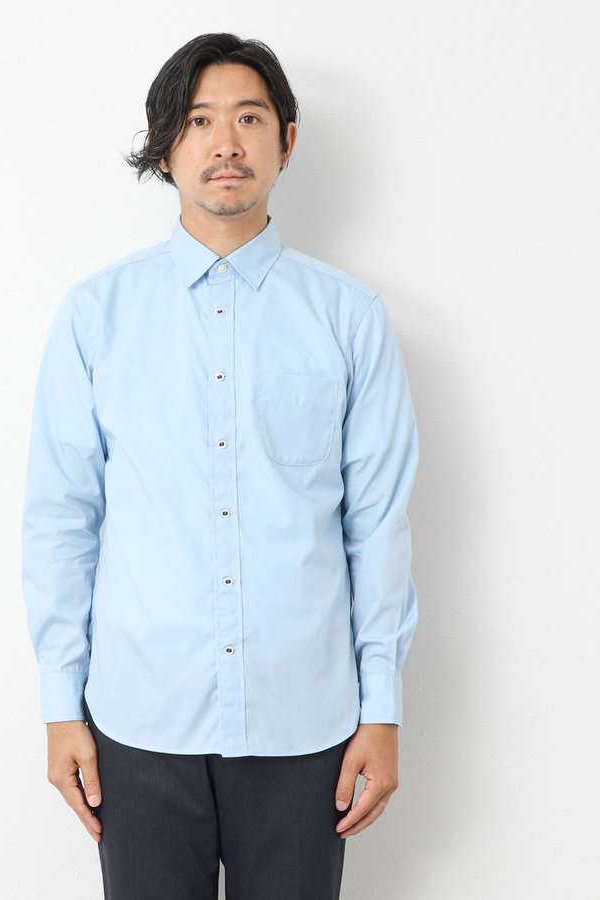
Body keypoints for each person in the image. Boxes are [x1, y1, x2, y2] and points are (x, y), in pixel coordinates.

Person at [21, 32, 419, 900]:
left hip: (305, 721)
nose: (225, 143)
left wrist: (381, 709)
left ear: (287, 139)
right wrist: (60, 706)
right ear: (164, 146)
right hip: (139, 718)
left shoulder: (349, 318)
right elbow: (61, 517)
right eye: (198, 121)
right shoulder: (96, 315)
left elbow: (377, 523)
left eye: (249, 118)